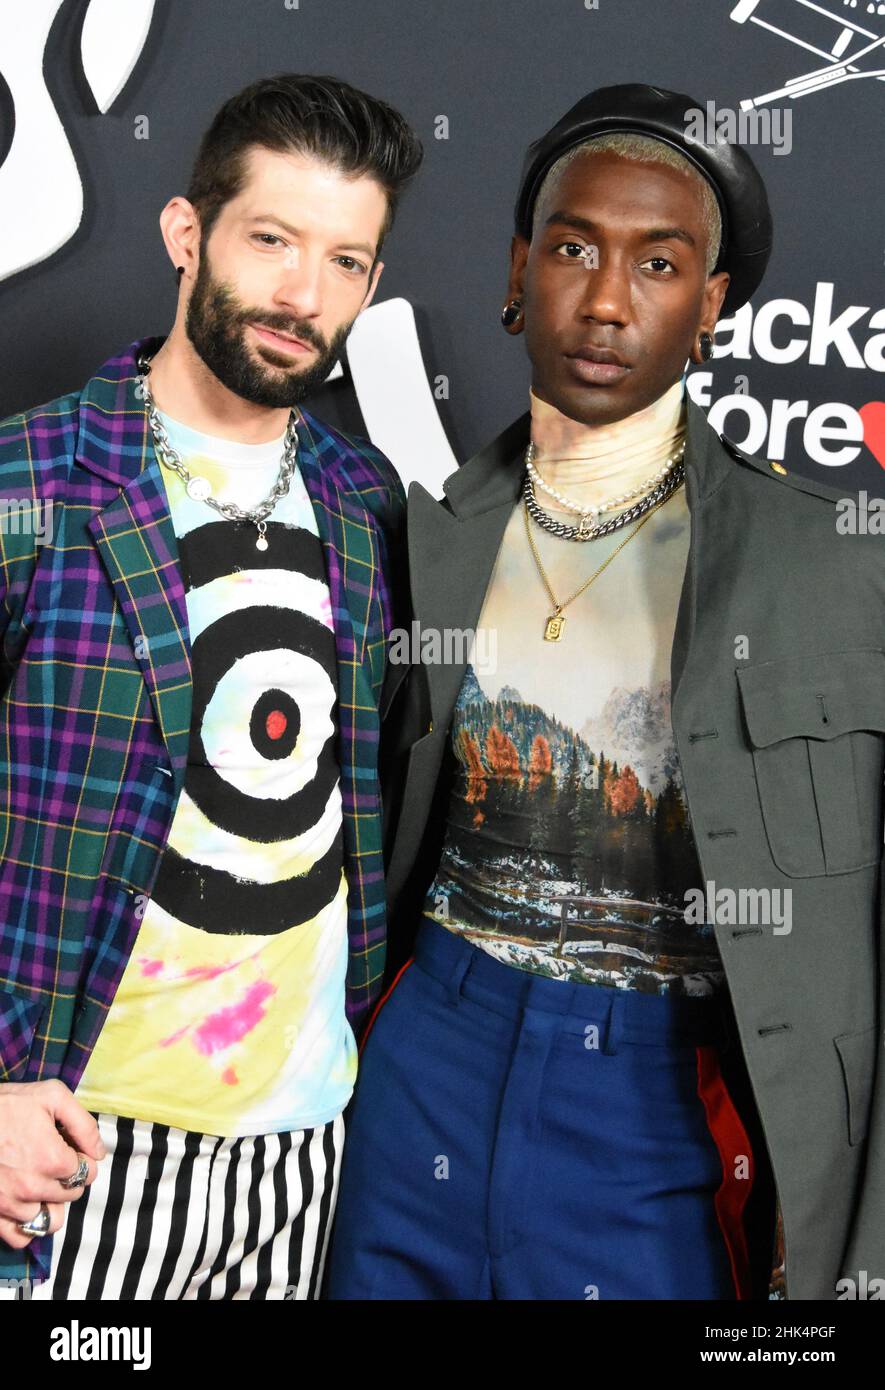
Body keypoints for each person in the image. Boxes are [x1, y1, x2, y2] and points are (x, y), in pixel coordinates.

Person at [327, 83, 884, 1301]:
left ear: (712, 309)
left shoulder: (837, 556)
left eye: (661, 262)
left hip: (662, 1103)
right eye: (575, 247)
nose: (608, 298)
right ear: (521, 268)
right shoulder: (420, 531)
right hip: (424, 1059)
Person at [0, 72, 420, 1300]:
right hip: (69, 1145)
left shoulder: (363, 502)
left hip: (299, 1157)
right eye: (274, 240)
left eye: (346, 262)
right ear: (189, 235)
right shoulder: (34, 482)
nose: (304, 295)